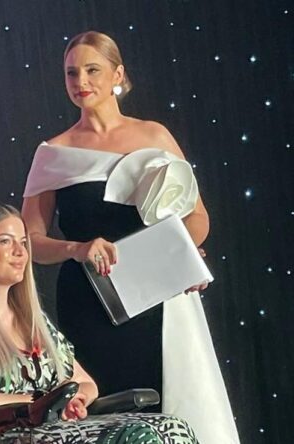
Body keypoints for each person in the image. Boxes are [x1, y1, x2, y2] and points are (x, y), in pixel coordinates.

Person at [21, 31, 238, 443]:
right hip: (89, 302)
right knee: (106, 410)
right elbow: (30, 241)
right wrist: (78, 248)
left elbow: (197, 217)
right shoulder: (52, 153)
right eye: (71, 73)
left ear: (118, 74)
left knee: (169, 397)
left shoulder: (154, 136)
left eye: (92, 70)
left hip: (157, 292)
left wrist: (180, 258)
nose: (81, 81)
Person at [0, 203, 198, 443]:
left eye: (23, 242)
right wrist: (46, 403)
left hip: (53, 429)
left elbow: (86, 383)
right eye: (5, 241)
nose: (20, 252)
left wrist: (75, 399)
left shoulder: (33, 321)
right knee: (138, 437)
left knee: (174, 428)